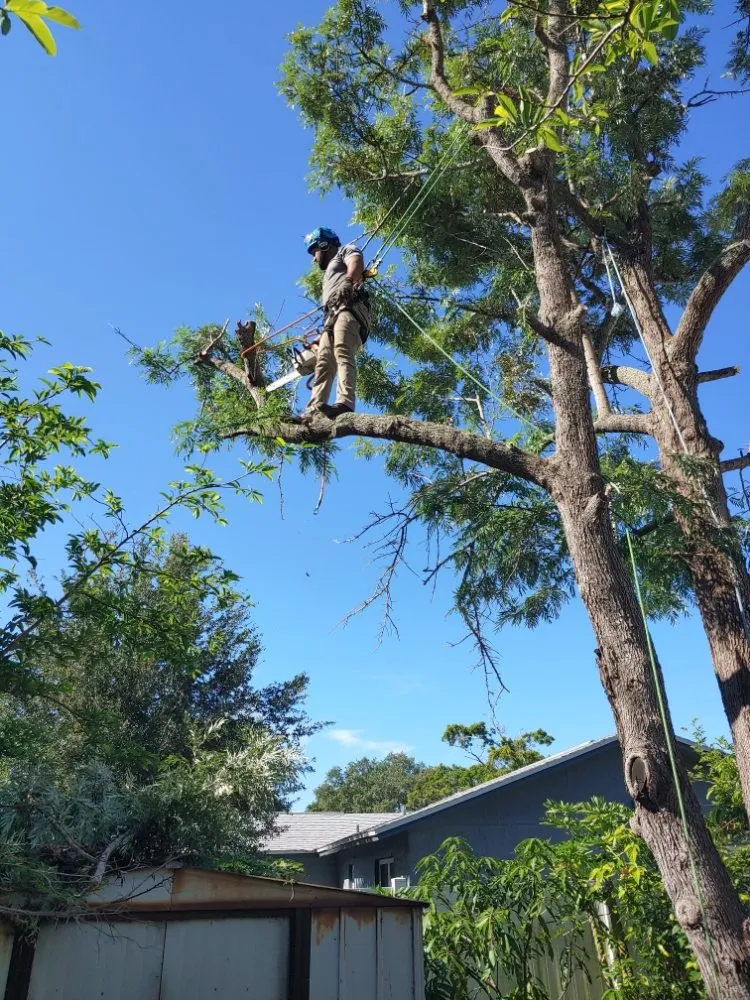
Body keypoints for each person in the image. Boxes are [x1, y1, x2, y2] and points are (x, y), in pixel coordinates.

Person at [303, 226, 371, 418]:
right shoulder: (329, 273)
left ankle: (345, 403)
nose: (313, 258)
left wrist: (348, 282)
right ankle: (313, 412)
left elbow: (356, 261)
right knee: (324, 363)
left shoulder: (344, 251)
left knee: (342, 350)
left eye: (313, 251)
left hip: (349, 308)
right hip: (332, 315)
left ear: (323, 245)